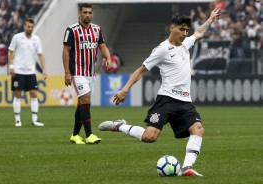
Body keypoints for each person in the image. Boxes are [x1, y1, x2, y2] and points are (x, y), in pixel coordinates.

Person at [98, 6, 221, 176]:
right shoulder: (162, 49)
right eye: (181, 30)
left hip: (185, 102)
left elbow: (198, 33)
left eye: (186, 30)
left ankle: (186, 167)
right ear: (172, 28)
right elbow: (140, 70)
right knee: (150, 137)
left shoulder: (185, 44)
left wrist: (210, 19)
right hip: (167, 100)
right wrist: (125, 90)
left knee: (198, 129)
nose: (185, 34)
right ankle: (120, 126)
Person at [62, 3, 111, 144]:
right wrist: (67, 73)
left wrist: (108, 58)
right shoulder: (72, 30)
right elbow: (65, 51)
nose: (87, 15)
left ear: (92, 14)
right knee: (85, 101)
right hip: (77, 72)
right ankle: (89, 135)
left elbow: (102, 46)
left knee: (82, 104)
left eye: (90, 12)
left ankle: (75, 135)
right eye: (85, 12)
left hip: (91, 73)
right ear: (79, 13)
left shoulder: (97, 29)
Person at [7, 18, 47, 127]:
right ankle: (17, 120)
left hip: (31, 72)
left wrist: (44, 69)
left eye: (32, 27)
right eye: (28, 26)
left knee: (34, 94)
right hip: (18, 71)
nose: (30, 28)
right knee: (18, 94)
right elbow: (10, 53)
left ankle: (34, 120)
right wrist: (11, 67)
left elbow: (40, 55)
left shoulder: (36, 39)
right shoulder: (17, 37)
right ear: (24, 26)